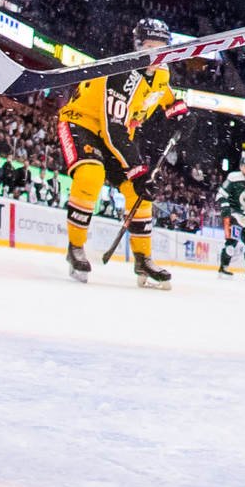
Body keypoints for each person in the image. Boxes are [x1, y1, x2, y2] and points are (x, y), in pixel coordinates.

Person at [55, 17, 189, 288]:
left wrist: (180, 113)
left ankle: (143, 258)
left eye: (161, 47)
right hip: (82, 124)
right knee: (91, 174)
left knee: (139, 192)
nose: (155, 53)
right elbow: (112, 130)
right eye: (149, 46)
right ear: (137, 46)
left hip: (115, 133)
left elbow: (164, 95)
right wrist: (138, 171)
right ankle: (76, 248)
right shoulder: (121, 73)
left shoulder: (161, 73)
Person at [216, 156, 245, 278]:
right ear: (240, 167)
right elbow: (220, 195)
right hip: (235, 215)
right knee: (231, 245)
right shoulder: (233, 178)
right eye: (244, 166)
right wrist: (225, 206)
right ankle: (223, 268)